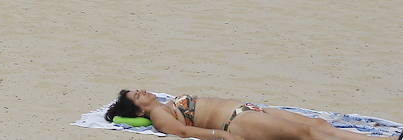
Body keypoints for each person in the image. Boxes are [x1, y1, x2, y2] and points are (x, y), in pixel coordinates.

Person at [106, 89, 364, 138]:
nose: (142, 90)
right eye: (138, 96)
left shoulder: (164, 104)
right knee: (309, 133)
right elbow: (183, 131)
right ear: (140, 109)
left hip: (251, 111)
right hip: (238, 121)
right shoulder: (159, 116)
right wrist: (221, 136)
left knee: (317, 124)